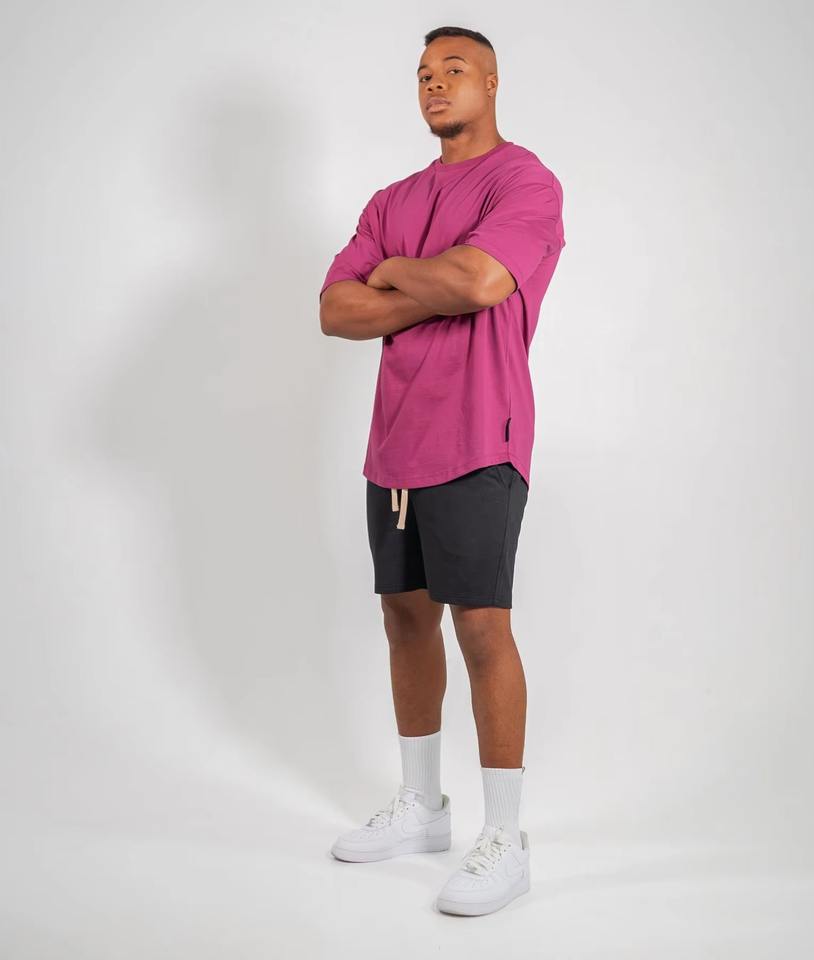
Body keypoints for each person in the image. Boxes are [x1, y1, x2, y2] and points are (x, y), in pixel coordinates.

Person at [318, 24, 566, 916]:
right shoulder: (392, 198)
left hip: (479, 435)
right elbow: (334, 310)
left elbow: (482, 282)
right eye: (424, 73)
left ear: (492, 82)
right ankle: (422, 807)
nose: (434, 83)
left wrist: (391, 276)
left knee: (483, 628)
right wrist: (424, 282)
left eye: (453, 70)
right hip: (394, 445)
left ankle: (506, 837)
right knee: (404, 619)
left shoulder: (524, 181)